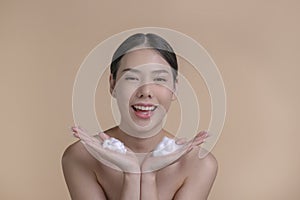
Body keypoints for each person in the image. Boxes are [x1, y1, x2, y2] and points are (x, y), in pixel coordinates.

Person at [62, 33, 218, 200]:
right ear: (113, 84)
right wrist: (132, 175)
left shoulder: (200, 164)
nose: (145, 92)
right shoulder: (80, 157)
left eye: (159, 78)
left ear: (175, 88)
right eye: (132, 78)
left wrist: (148, 176)